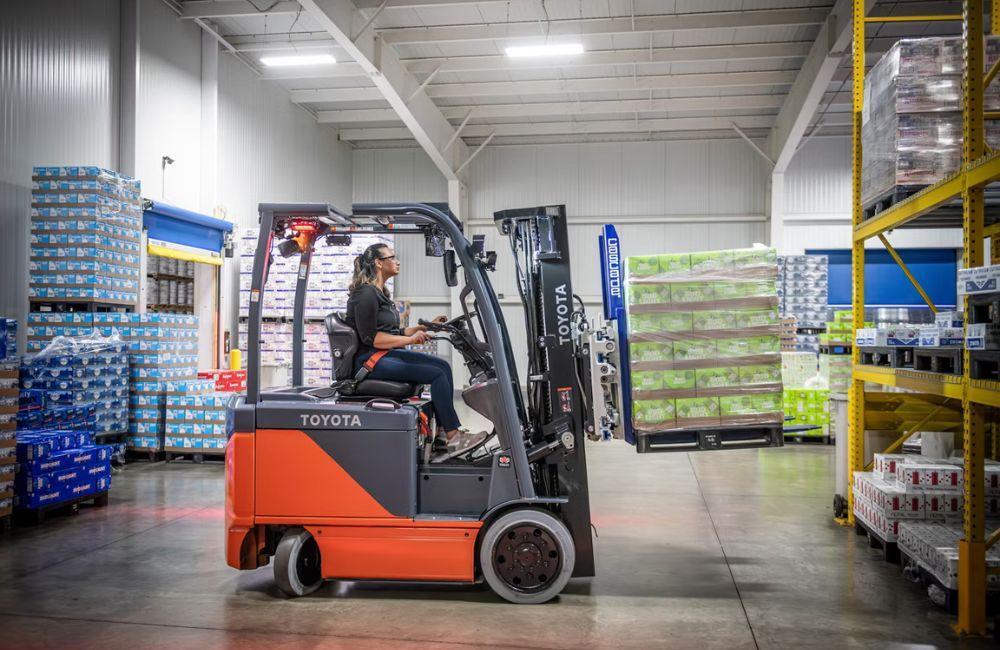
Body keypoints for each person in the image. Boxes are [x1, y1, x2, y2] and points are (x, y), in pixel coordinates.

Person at [344, 242, 487, 457]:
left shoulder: (380, 292)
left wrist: (424, 326)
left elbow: (394, 330)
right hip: (370, 361)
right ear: (378, 263)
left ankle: (442, 434)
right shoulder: (365, 294)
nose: (397, 261)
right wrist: (410, 340)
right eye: (391, 257)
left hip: (382, 354)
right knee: (437, 372)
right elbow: (372, 338)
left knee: (442, 365)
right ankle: (454, 436)